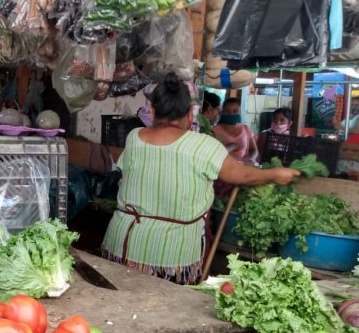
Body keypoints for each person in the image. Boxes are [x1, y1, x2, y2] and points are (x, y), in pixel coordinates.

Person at [101, 74, 299, 285]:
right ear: (189, 113)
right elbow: (244, 175)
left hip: (123, 242)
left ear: (154, 111)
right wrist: (275, 174)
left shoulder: (135, 137)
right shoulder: (203, 146)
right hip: (170, 255)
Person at [213, 97, 258, 164]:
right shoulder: (214, 130)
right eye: (227, 111)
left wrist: (251, 159)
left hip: (243, 168)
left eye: (235, 111)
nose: (231, 114)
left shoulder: (246, 129)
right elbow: (212, 153)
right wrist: (229, 148)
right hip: (222, 168)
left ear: (240, 111)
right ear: (223, 113)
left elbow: (254, 150)